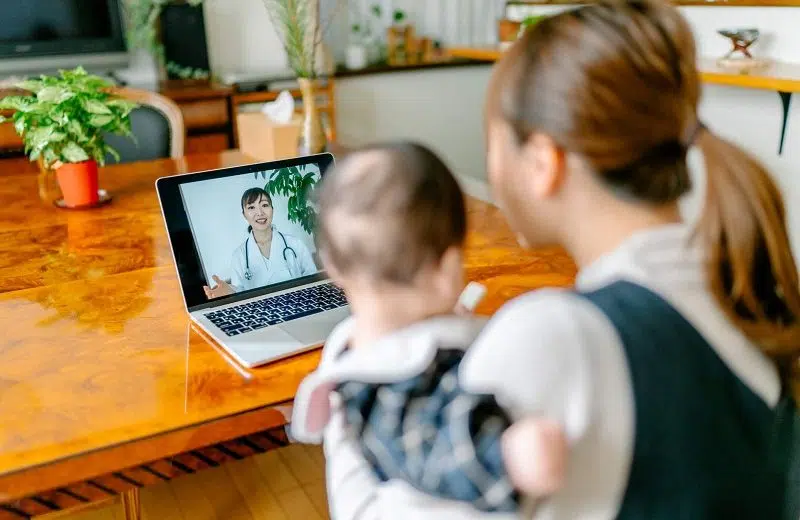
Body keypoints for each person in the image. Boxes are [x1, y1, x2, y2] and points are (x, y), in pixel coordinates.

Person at [323, 1, 799, 519]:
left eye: (494, 143)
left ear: (544, 164)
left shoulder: (557, 335)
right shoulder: (740, 281)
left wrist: (353, 370)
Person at [290, 142, 569, 518]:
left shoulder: (347, 348)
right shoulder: (397, 387)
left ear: (331, 266)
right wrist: (511, 457)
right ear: (447, 270)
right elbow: (440, 455)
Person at [203, 187, 318, 299]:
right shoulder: (239, 256)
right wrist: (229, 292)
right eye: (251, 207)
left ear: (272, 209)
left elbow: (314, 281)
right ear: (244, 215)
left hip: (299, 303)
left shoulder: (295, 244)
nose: (259, 212)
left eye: (264, 205)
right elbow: (240, 295)